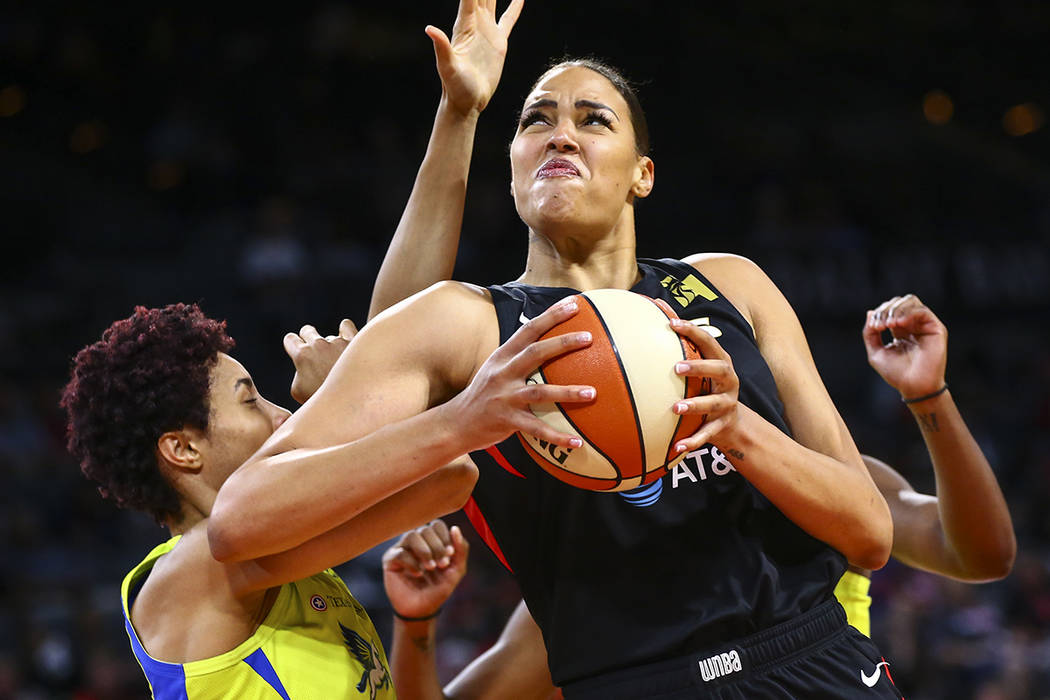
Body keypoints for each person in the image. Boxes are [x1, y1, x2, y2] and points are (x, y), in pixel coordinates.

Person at [232, 0, 902, 696]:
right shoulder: (478, 331)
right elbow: (248, 514)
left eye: (593, 119)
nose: (560, 136)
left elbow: (870, 534)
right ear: (514, 168)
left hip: (815, 664)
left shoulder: (731, 286)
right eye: (535, 121)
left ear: (642, 173)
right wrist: (460, 112)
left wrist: (739, 431)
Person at [379, 295, 1016, 699]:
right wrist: (416, 622)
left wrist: (928, 396)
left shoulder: (825, 479)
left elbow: (981, 553)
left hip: (823, 671)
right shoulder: (607, 586)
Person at [60, 298, 588, 698]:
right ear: (183, 448)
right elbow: (448, 475)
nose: (280, 416)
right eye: (250, 401)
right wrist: (340, 389)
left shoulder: (292, 564)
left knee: (573, 608)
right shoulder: (199, 569)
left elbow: (444, 471)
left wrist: (416, 624)